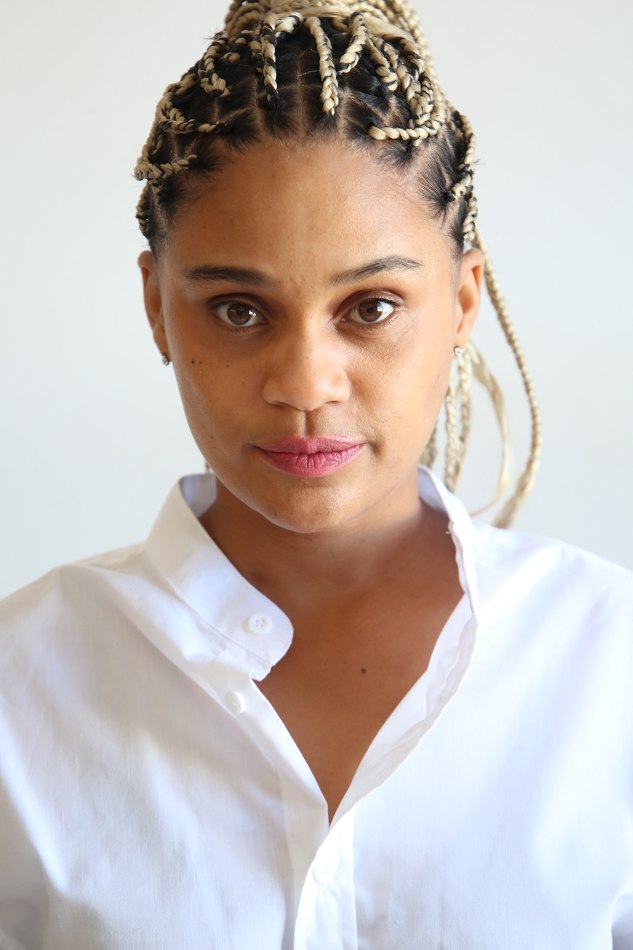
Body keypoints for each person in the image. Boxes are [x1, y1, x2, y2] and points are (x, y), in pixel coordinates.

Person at [0, 0, 631, 946]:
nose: (304, 384)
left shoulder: (608, 666)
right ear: (156, 306)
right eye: (238, 310)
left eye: (371, 307)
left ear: (461, 302)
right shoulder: (19, 688)